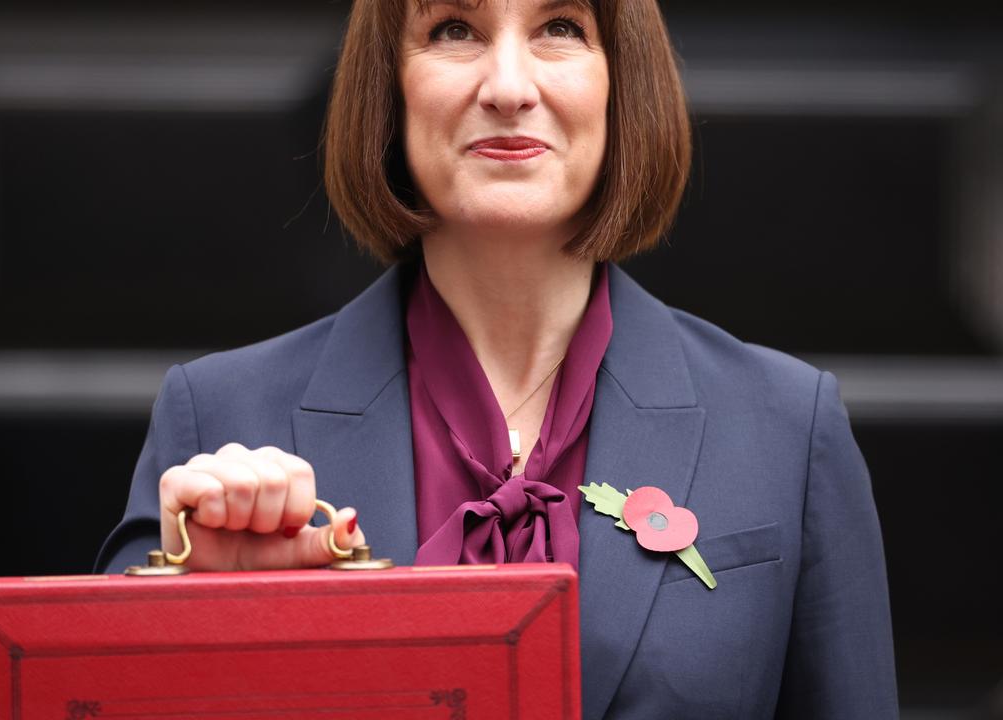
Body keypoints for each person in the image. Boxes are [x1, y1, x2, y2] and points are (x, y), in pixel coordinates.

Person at [96, 0, 899, 716]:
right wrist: (189, 600)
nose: (509, 86)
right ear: (390, 88)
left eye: (560, 27)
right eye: (454, 30)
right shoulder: (218, 418)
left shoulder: (788, 426)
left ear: (624, 83)